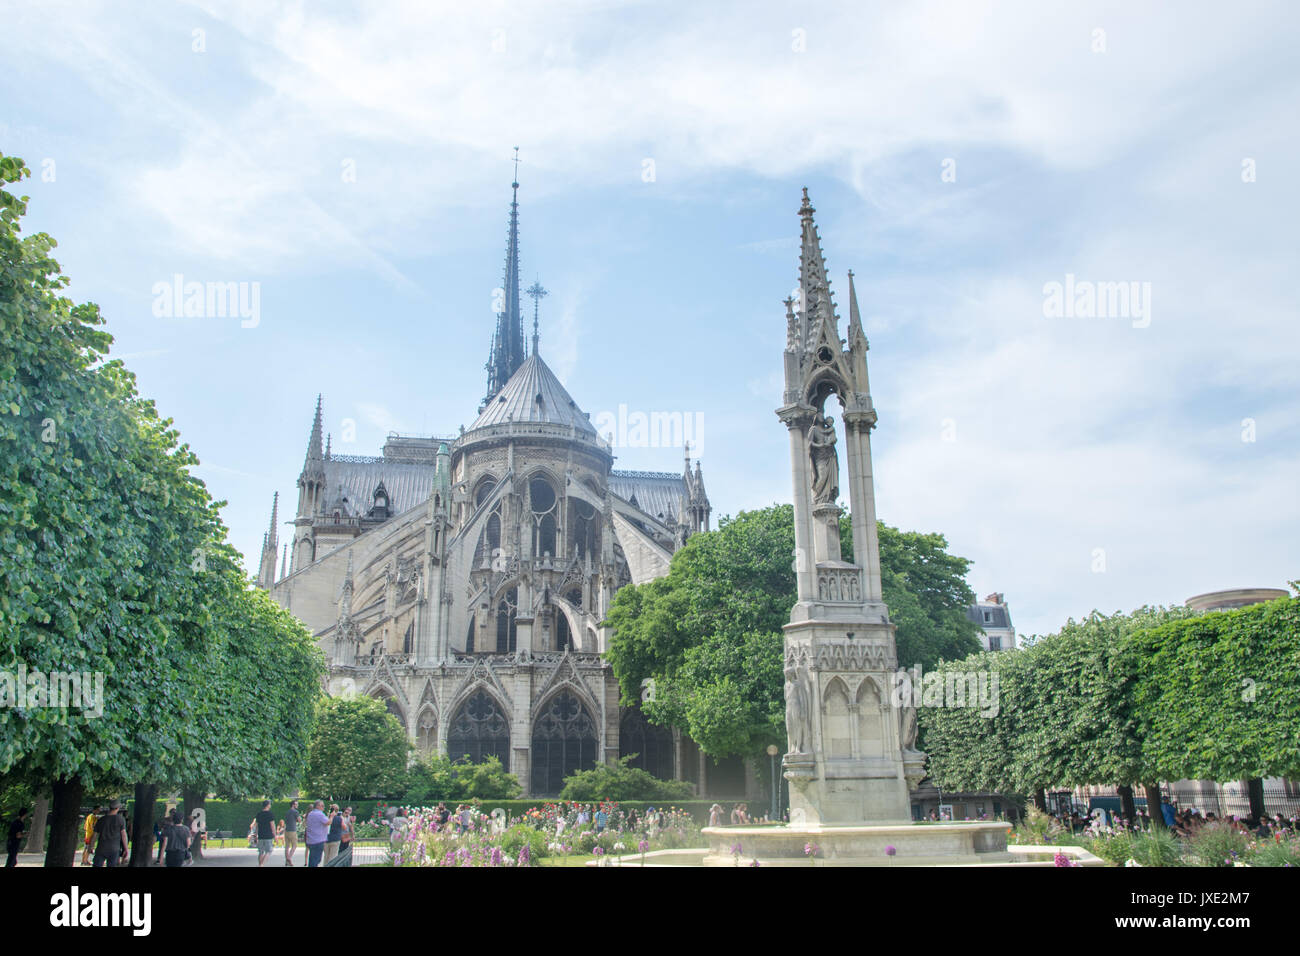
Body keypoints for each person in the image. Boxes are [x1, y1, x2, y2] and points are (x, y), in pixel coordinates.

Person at [92, 800, 128, 868]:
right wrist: (126, 849)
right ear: (117, 808)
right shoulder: (121, 819)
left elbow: (94, 835)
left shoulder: (101, 820)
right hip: (114, 849)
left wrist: (91, 846)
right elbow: (124, 835)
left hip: (101, 848)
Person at [305, 800, 330, 868]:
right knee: (316, 860)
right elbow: (328, 822)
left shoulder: (311, 813)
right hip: (318, 840)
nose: (323, 807)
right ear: (317, 806)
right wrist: (332, 816)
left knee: (313, 859)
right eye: (322, 806)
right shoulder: (319, 814)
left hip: (311, 840)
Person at [255, 800, 276, 867]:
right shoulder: (270, 814)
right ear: (267, 805)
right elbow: (272, 825)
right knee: (269, 851)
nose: (270, 805)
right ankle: (262, 864)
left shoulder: (259, 814)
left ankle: (259, 864)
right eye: (270, 804)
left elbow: (257, 826)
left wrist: (256, 835)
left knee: (261, 852)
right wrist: (275, 835)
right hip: (268, 835)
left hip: (261, 835)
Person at [283, 799, 300, 866]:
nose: (297, 805)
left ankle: (286, 861)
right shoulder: (295, 812)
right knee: (294, 845)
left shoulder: (287, 812)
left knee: (287, 846)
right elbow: (299, 820)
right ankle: (289, 858)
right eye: (296, 804)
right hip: (293, 830)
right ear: (293, 805)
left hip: (287, 830)